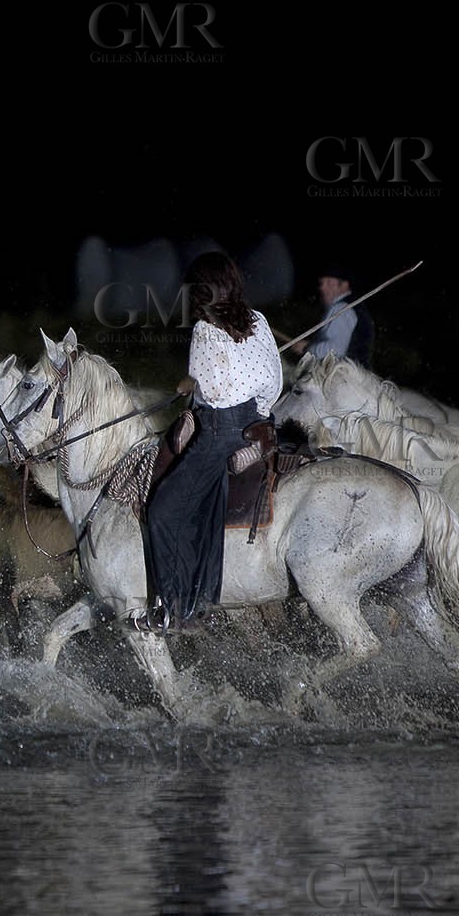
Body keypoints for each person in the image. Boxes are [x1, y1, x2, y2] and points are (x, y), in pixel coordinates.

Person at [138, 252, 283, 635]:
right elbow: (273, 381)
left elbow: (214, 392)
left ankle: (172, 612)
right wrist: (258, 414)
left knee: (163, 512)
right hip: (255, 422)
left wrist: (191, 384)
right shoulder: (258, 320)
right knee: (203, 507)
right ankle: (201, 603)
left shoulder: (205, 329)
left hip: (219, 430)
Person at [292, 262, 374, 366]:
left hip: (345, 373)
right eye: (321, 283)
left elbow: (334, 352)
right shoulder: (352, 307)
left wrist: (308, 348)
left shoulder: (342, 309)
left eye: (329, 283)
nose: (322, 287)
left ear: (344, 285)